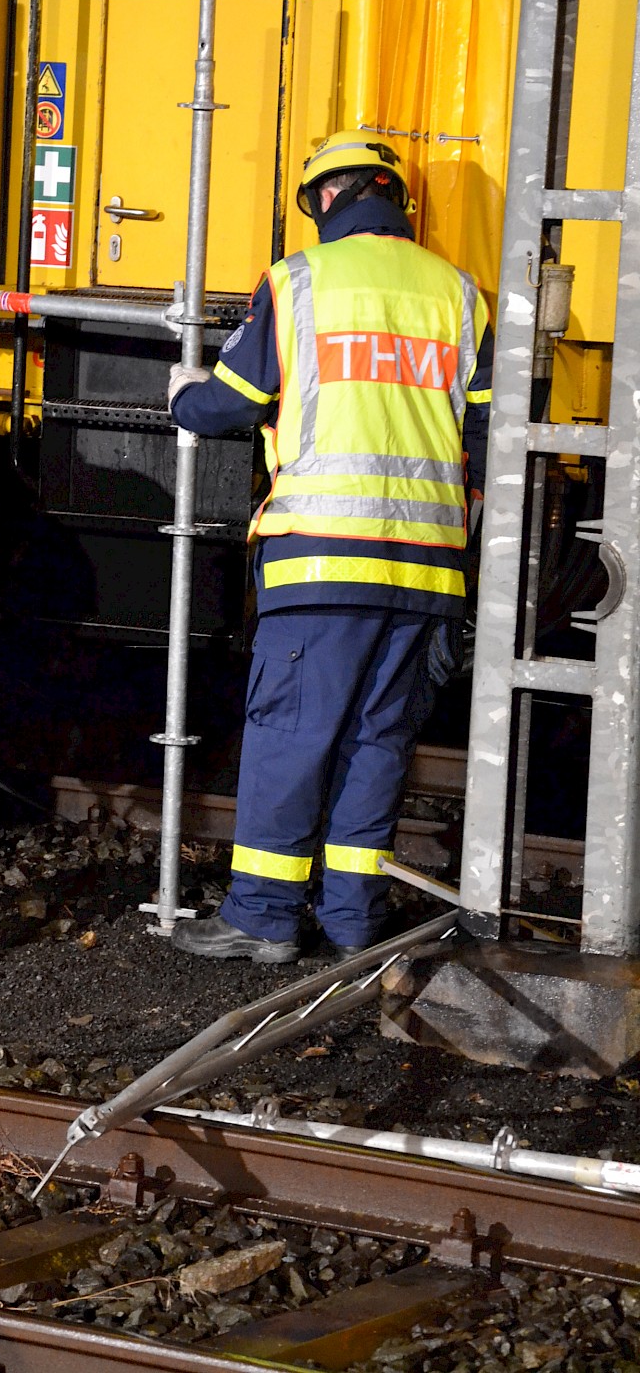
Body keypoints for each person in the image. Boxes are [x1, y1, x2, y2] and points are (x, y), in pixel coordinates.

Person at [168, 130, 493, 962]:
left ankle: (264, 917)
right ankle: (353, 922)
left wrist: (184, 396)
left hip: (322, 556)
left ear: (322, 200)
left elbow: (233, 401)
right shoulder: (460, 293)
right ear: (395, 198)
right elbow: (493, 428)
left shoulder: (300, 281)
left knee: (291, 734)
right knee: (377, 741)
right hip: (428, 565)